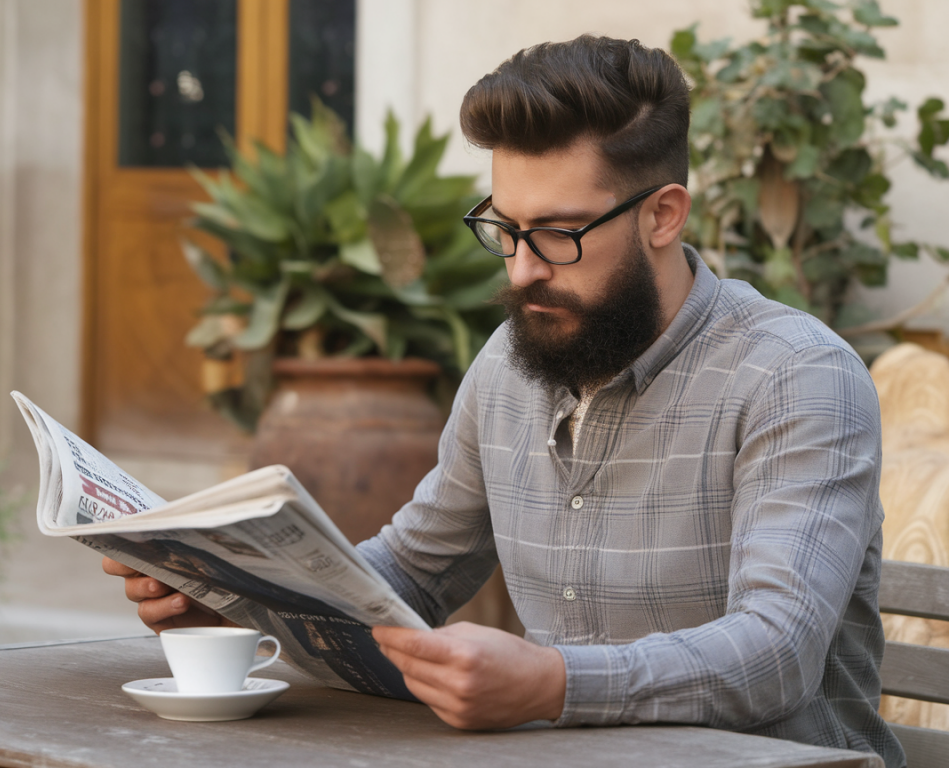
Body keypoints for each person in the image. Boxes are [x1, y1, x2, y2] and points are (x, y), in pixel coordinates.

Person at [104, 35, 904, 766]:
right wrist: (237, 597)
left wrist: (553, 684)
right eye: (506, 229)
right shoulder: (511, 364)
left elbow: (776, 653)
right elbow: (411, 574)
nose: (522, 270)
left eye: (559, 233)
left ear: (663, 215)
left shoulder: (797, 377)